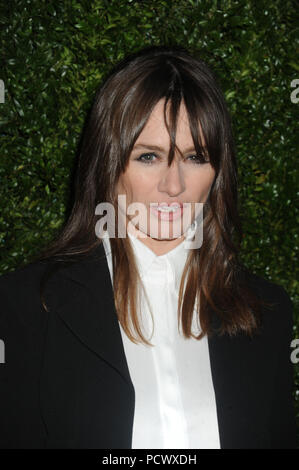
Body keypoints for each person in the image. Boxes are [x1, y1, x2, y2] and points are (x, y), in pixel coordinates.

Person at [0, 45, 297, 449]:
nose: (173, 185)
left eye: (195, 156)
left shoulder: (266, 312)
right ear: (107, 163)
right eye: (149, 156)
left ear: (218, 171)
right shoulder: (26, 307)